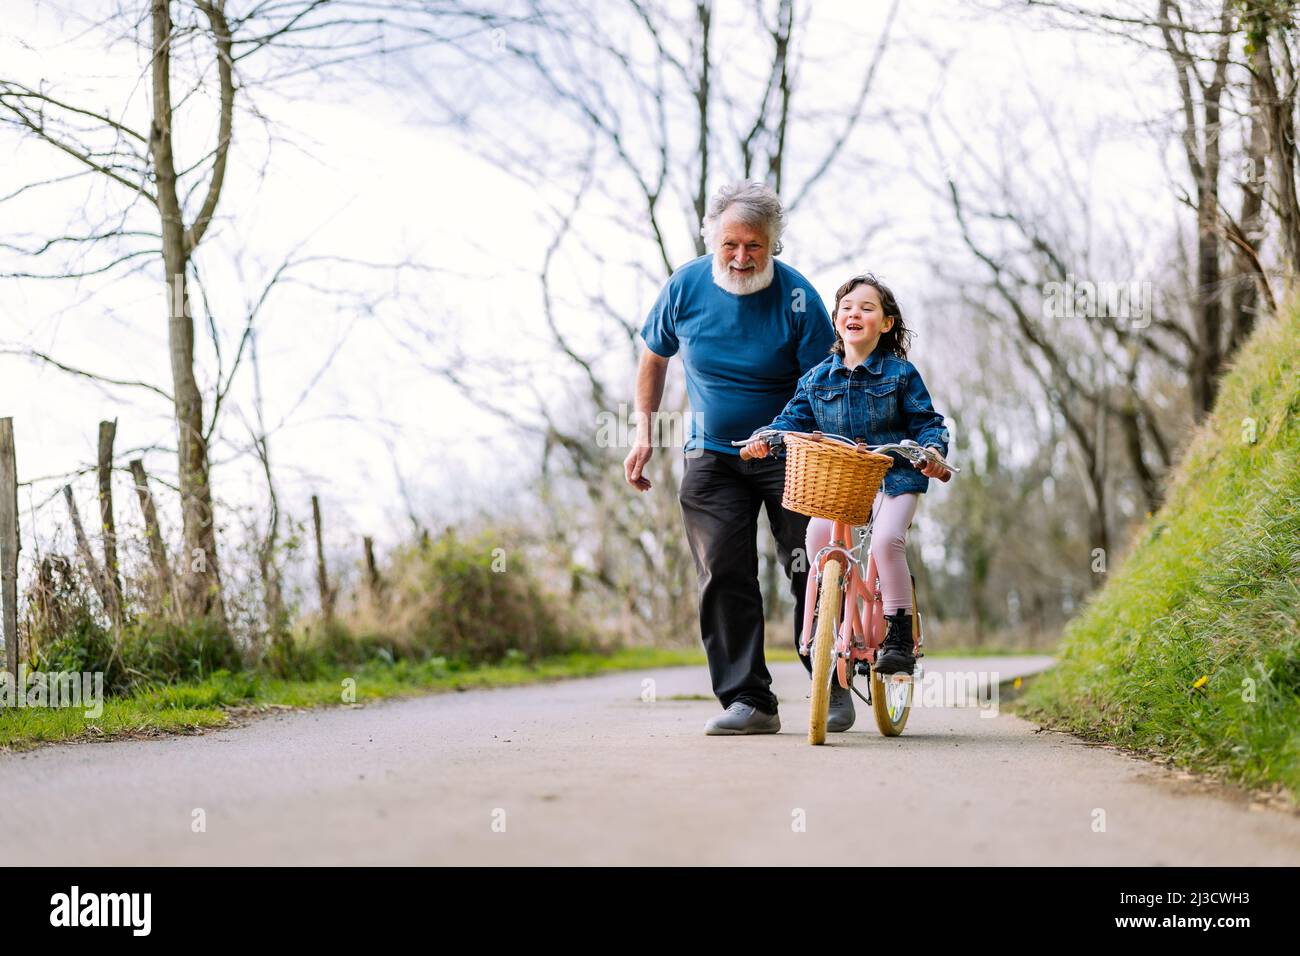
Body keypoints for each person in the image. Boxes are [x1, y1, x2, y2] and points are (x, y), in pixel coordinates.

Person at [624, 181, 834, 736]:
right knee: (724, 572)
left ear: (773, 246)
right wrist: (644, 432)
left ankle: (828, 683)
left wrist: (832, 445)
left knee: (808, 564)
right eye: (731, 245)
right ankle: (750, 700)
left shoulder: (798, 298)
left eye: (755, 246)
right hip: (714, 455)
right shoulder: (685, 287)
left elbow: (826, 386)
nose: (742, 257)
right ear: (712, 240)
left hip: (792, 451)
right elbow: (653, 355)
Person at [742, 273, 950, 732]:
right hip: (841, 481)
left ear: (887, 323)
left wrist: (932, 453)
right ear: (836, 320)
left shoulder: (900, 374)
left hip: (893, 475)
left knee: (887, 542)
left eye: (868, 307)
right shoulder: (817, 378)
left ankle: (896, 632)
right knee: (816, 536)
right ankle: (826, 621)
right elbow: (789, 419)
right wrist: (765, 439)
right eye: (847, 307)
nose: (855, 313)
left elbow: (927, 422)